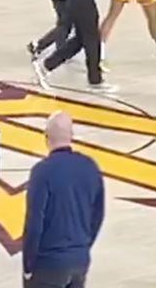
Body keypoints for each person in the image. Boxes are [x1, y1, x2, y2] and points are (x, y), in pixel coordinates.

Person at [22, 112, 104, 288]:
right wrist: (83, 246)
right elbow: (98, 214)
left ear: (46, 137)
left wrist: (28, 264)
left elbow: (34, 223)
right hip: (79, 259)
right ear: (72, 136)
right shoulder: (90, 166)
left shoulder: (42, 172)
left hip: (49, 262)